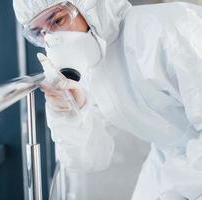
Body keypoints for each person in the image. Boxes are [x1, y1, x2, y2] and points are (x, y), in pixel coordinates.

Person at [13, 0, 202, 199]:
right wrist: (71, 114)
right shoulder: (92, 67)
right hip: (171, 160)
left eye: (58, 20)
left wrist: (179, 191)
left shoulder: (166, 29)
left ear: (90, 5)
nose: (52, 39)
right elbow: (91, 158)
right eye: (39, 33)